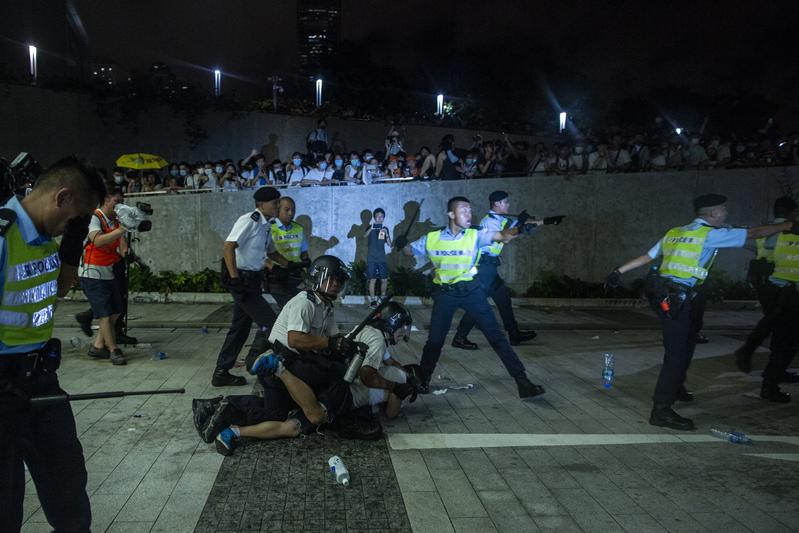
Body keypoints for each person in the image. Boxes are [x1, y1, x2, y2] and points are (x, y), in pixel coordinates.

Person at [605, 194, 794, 430]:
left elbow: (648, 256)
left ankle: (676, 386)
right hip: (677, 299)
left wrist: (618, 271)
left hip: (665, 295)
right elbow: (753, 234)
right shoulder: (710, 236)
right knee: (676, 353)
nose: (726, 214)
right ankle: (661, 410)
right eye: (723, 211)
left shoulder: (676, 232)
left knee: (685, 343)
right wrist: (787, 225)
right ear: (713, 214)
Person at [194, 256, 397, 454]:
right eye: (333, 279)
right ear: (319, 277)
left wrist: (348, 345)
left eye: (340, 281)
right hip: (286, 359)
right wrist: (331, 343)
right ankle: (344, 422)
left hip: (287, 363)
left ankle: (219, 405)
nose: (337, 284)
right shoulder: (305, 302)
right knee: (338, 379)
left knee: (273, 414)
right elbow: (296, 340)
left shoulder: (325, 306)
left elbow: (333, 338)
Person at [0, 157, 106, 532]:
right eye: (73, 220)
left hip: (41, 381)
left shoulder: (45, 238)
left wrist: (73, 244)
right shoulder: (3, 234)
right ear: (61, 197)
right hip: (2, 387)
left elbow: (57, 288)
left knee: (69, 489)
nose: (70, 229)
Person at [395, 196, 546, 399]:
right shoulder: (432, 238)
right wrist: (402, 244)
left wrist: (519, 228)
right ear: (451, 214)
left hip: (472, 292)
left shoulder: (475, 235)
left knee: (497, 338)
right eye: (464, 210)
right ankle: (424, 381)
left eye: (470, 210)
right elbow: (410, 251)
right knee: (434, 342)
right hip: (445, 295)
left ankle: (522, 382)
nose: (469, 214)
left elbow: (502, 235)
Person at [452, 191, 561, 350]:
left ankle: (514, 334)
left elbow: (525, 225)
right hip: (484, 267)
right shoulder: (489, 222)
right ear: (496, 204)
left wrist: (547, 221)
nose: (508, 205)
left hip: (490, 267)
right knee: (478, 305)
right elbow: (506, 238)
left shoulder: (501, 219)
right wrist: (519, 226)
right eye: (505, 202)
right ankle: (460, 337)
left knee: (503, 300)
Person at [212, 186, 282, 387]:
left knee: (240, 328)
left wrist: (290, 265)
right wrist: (235, 279)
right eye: (274, 203)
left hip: (252, 280)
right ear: (261, 204)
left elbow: (270, 253)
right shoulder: (249, 220)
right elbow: (229, 246)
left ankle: (221, 372)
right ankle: (257, 364)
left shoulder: (266, 225)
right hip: (241, 281)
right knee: (270, 324)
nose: (277, 206)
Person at [734, 196, 799, 379]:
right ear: (792, 212)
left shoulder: (768, 228)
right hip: (781, 283)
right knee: (782, 329)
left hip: (767, 282)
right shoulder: (785, 229)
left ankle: (769, 366)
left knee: (774, 323)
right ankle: (755, 357)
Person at [78, 186, 129, 365]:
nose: (119, 205)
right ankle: (113, 350)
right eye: (116, 201)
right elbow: (97, 241)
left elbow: (122, 249)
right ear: (106, 199)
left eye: (121, 202)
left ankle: (98, 347)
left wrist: (127, 247)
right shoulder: (95, 217)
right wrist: (123, 229)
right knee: (105, 315)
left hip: (107, 272)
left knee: (116, 310)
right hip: (91, 272)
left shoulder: (116, 221)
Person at [268, 197, 311, 308]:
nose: (290, 213)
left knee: (297, 306)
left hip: (295, 274)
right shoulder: (269, 228)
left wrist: (306, 262)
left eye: (293, 210)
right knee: (289, 306)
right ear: (278, 210)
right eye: (286, 209)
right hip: (276, 275)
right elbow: (266, 253)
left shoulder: (298, 228)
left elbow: (303, 252)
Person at [365, 208, 392, 307]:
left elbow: (390, 244)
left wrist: (386, 234)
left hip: (382, 259)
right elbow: (364, 235)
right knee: (372, 280)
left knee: (384, 279)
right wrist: (371, 228)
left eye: (381, 216)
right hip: (371, 259)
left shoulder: (385, 229)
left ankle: (382, 297)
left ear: (383, 218)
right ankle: (373, 300)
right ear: (374, 217)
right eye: (377, 216)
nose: (379, 218)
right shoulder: (370, 227)